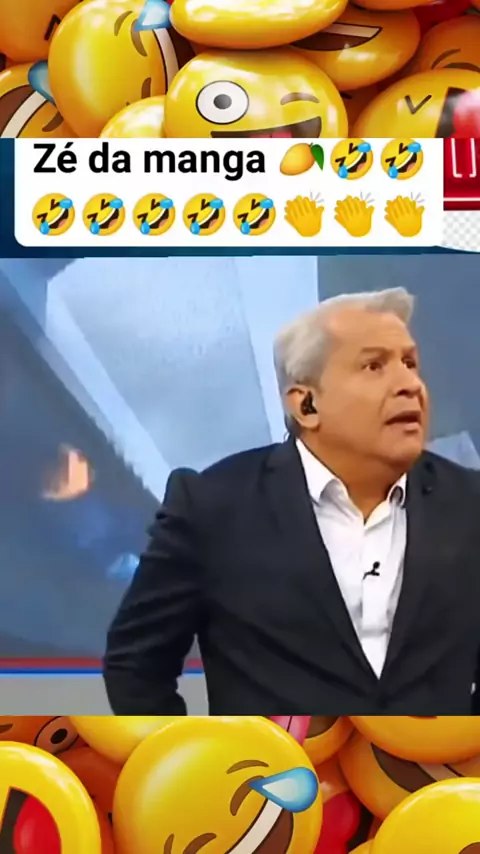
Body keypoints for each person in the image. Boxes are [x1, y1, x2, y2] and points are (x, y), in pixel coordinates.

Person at [103, 287, 480, 714]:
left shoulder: (470, 505)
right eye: (374, 366)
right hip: (275, 758)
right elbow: (135, 667)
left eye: (410, 363)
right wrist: (198, 752)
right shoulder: (213, 507)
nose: (409, 385)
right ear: (306, 405)